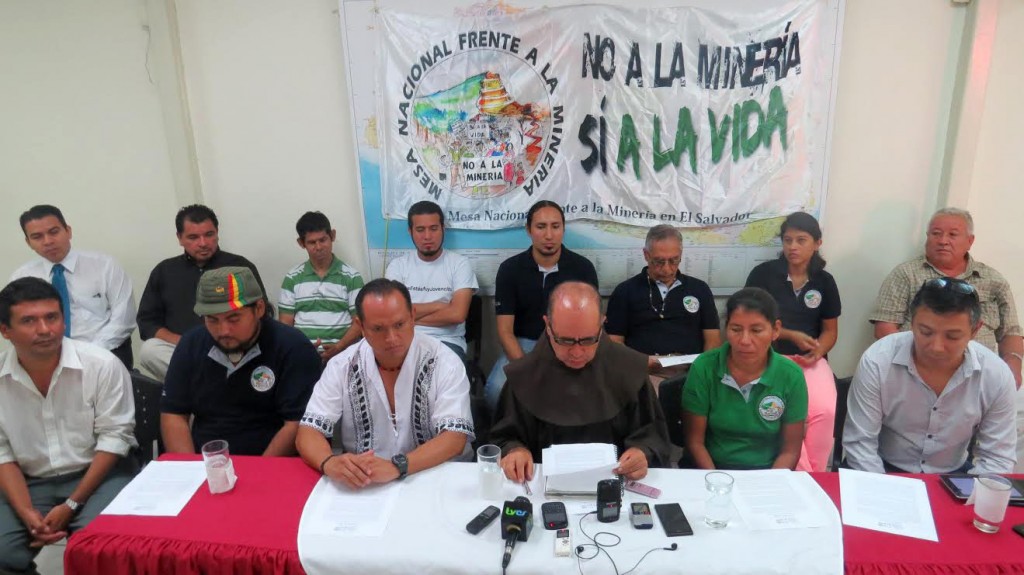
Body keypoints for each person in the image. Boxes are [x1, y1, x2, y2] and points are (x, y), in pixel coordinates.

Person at [0, 278, 136, 573]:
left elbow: (115, 438)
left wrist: (72, 504)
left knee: (97, 551)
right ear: (5, 331)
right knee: (4, 555)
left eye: (52, 317)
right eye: (29, 321)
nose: (44, 329)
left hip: (100, 475)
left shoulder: (101, 365)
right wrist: (26, 512)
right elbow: (2, 454)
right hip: (30, 480)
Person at [296, 279, 475, 490]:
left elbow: (454, 439)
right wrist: (329, 463)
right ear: (361, 326)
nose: (391, 338)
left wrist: (397, 466)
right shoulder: (341, 365)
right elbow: (308, 432)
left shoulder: (445, 362)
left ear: (413, 316)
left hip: (436, 478)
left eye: (399, 325)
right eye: (378, 328)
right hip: (365, 483)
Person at [490, 281, 671, 483]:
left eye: (588, 340)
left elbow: (652, 434)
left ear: (602, 324)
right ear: (548, 326)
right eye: (565, 341)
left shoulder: (629, 369)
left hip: (616, 485)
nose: (577, 352)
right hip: (539, 485)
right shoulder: (525, 375)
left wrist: (642, 452)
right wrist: (514, 450)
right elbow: (503, 437)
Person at [845, 278, 1017, 474]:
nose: (936, 347)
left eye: (952, 336)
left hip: (953, 473)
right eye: (925, 332)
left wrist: (973, 491)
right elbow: (860, 445)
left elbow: (997, 458)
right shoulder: (879, 360)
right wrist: (881, 487)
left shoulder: (995, 375)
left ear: (975, 330)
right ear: (912, 322)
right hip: (882, 466)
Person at [160, 267, 321, 457]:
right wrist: (188, 468)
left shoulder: (293, 347)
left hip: (273, 462)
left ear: (259, 309)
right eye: (212, 320)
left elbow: (296, 423)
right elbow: (174, 413)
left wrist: (258, 470)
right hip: (208, 462)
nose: (224, 331)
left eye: (233, 318)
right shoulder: (191, 344)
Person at [871, 207, 1022, 387]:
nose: (943, 241)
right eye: (936, 234)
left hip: (980, 377)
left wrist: (1012, 366)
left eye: (952, 235)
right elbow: (885, 328)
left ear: (970, 241)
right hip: (917, 373)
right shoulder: (905, 274)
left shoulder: (993, 280)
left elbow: (1011, 333)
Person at [745, 212, 839, 472]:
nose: (793, 247)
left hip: (810, 361)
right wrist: (789, 335)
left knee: (825, 411)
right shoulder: (763, 275)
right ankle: (800, 475)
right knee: (785, 414)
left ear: (817, 243)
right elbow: (749, 324)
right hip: (769, 359)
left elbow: (830, 331)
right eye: (788, 240)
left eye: (801, 240)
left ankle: (816, 474)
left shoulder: (825, 281)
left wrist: (818, 350)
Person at [486, 201, 598, 411]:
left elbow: (591, 327)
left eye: (555, 227)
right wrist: (526, 369)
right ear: (529, 230)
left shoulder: (582, 269)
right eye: (541, 227)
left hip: (569, 344)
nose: (549, 235)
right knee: (496, 391)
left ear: (563, 229)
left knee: (581, 393)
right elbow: (505, 331)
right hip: (524, 344)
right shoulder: (510, 269)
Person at [681, 287, 808, 470]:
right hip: (712, 470)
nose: (745, 340)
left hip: (767, 472)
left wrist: (770, 482)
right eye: (736, 329)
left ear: (775, 330)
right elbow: (695, 443)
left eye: (756, 330)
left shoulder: (791, 375)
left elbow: (790, 451)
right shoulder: (704, 367)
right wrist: (717, 480)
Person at [137, 204, 266, 381]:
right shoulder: (164, 271)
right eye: (193, 237)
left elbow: (262, 313)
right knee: (149, 350)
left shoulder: (240, 267)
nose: (203, 243)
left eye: (209, 235)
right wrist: (184, 342)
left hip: (233, 348)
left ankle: (208, 386)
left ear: (217, 233)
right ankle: (209, 384)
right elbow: (147, 322)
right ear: (179, 238)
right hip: (186, 351)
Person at [11, 205, 136, 369]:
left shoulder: (105, 266)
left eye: (54, 232)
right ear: (29, 243)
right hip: (47, 357)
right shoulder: (21, 278)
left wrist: (90, 354)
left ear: (68, 231)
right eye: (37, 237)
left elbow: (124, 320)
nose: (48, 241)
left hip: (104, 352)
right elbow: (16, 325)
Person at [605, 224, 720, 375]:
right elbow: (614, 343)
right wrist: (639, 363)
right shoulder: (625, 291)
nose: (667, 269)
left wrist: (702, 373)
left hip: (690, 372)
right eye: (659, 261)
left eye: (674, 260)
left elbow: (712, 341)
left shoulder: (699, 289)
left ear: (681, 254)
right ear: (646, 255)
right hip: (642, 372)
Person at [385, 201, 478, 358]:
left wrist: (406, 319)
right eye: (420, 230)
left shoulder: (460, 264)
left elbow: (457, 315)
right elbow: (392, 313)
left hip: (447, 342)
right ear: (410, 231)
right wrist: (439, 306)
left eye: (433, 229)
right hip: (404, 340)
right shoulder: (397, 266)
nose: (427, 236)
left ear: (443, 229)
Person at [279, 211, 364, 362]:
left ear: (332, 236)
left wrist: (339, 347)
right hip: (302, 357)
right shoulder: (292, 278)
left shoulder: (352, 277)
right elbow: (285, 327)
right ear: (301, 243)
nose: (318, 247)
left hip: (344, 356)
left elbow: (359, 322)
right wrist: (301, 349)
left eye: (323, 240)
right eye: (312, 242)